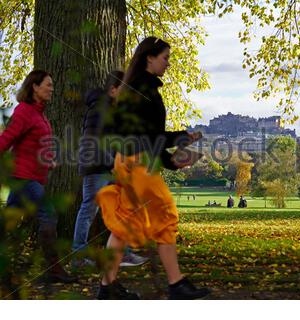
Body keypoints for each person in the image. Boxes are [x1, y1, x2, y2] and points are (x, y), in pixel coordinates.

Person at [95, 36, 210, 299]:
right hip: (138, 164)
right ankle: (176, 284)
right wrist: (178, 145)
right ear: (150, 57)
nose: (168, 63)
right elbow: (149, 138)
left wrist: (177, 151)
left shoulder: (133, 88)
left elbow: (148, 136)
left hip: (129, 161)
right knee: (167, 216)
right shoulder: (143, 90)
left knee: (123, 225)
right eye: (165, 57)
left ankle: (107, 287)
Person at [0, 70, 76, 283]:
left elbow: (35, 145)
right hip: (24, 177)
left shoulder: (39, 114)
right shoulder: (24, 111)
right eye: (48, 85)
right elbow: (6, 139)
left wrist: (49, 160)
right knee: (48, 214)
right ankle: (53, 269)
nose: (52, 89)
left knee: (7, 223)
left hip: (30, 176)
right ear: (35, 86)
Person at [72, 71, 149, 268]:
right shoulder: (99, 109)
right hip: (97, 167)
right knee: (89, 209)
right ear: (113, 89)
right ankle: (78, 256)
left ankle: (122, 253)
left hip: (108, 167)